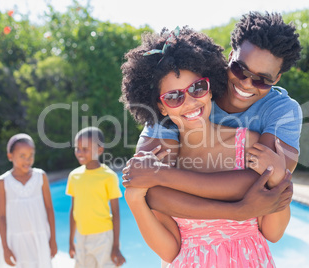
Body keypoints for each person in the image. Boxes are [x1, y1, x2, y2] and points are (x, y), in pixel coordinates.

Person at [120, 26, 291, 267]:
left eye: (197, 88)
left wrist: (278, 176)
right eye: (173, 97)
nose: (189, 102)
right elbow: (169, 252)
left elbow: (274, 233)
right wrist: (135, 200)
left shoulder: (249, 144)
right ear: (161, 107)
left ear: (210, 88)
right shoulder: (161, 161)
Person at [0, 133, 57, 268]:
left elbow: (49, 209)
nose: (27, 160)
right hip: (16, 242)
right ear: (10, 156)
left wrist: (53, 239)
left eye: (31, 156)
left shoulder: (41, 177)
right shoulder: (3, 182)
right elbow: (2, 216)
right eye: (22, 156)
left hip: (39, 239)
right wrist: (5, 247)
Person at [66, 127, 126, 268]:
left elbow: (116, 213)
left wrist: (116, 245)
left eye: (85, 149)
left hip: (104, 237)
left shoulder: (108, 176)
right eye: (77, 148)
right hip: (81, 237)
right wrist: (70, 241)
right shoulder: (74, 176)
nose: (80, 152)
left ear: (99, 150)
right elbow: (73, 210)